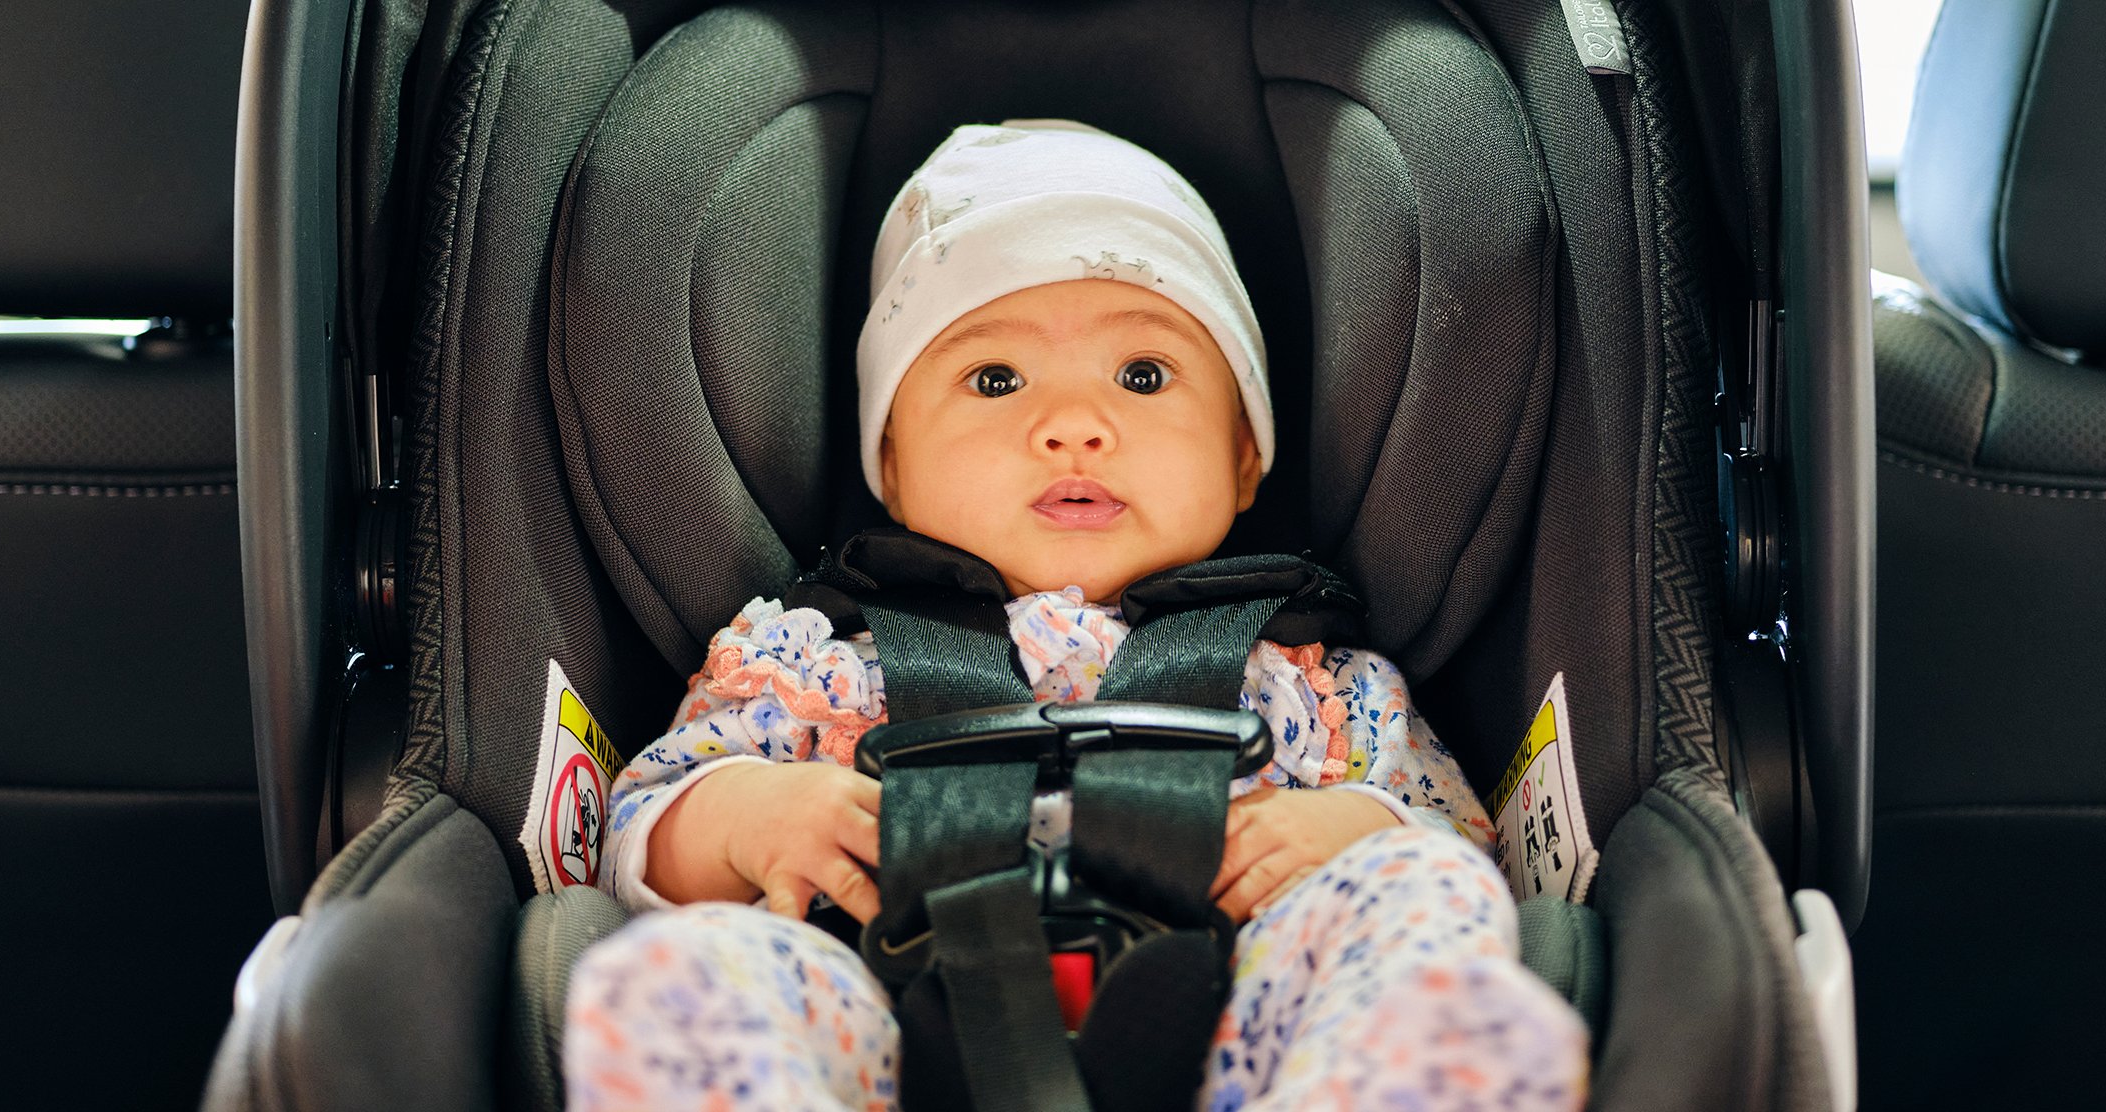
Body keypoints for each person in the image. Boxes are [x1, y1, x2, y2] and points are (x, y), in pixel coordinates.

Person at [562, 119, 1587, 1112]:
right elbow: (636, 829)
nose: (1073, 427)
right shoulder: (812, 664)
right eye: (994, 377)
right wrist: (744, 816)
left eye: (1143, 375)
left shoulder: (1321, 683)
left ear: (1242, 456)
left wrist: (1352, 827)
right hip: (880, 1016)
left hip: (1244, 1027)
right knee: (688, 968)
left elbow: (1463, 847)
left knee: (1418, 893)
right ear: (890, 466)